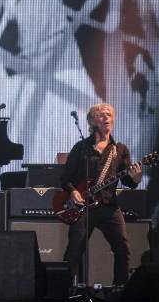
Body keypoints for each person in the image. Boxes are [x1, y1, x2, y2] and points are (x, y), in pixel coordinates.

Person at [60, 103, 143, 286]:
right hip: (83, 209)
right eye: (101, 115)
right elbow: (65, 178)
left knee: (123, 248)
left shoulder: (119, 149)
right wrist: (73, 191)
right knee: (74, 250)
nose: (106, 118)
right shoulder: (81, 147)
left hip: (109, 207)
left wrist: (135, 178)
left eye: (109, 115)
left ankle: (119, 289)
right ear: (92, 121)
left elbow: (129, 182)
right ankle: (62, 291)